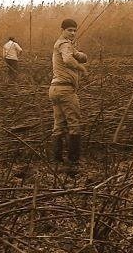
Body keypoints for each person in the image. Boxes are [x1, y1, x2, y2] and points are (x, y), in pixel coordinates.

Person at [49, 18, 88, 175]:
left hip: (55, 89)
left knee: (58, 125)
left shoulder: (64, 44)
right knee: (74, 124)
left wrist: (80, 56)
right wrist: (82, 69)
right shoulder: (64, 44)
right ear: (62, 30)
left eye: (74, 30)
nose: (72, 33)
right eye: (69, 30)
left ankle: (56, 160)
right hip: (65, 90)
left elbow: (75, 55)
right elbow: (67, 59)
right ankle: (74, 161)